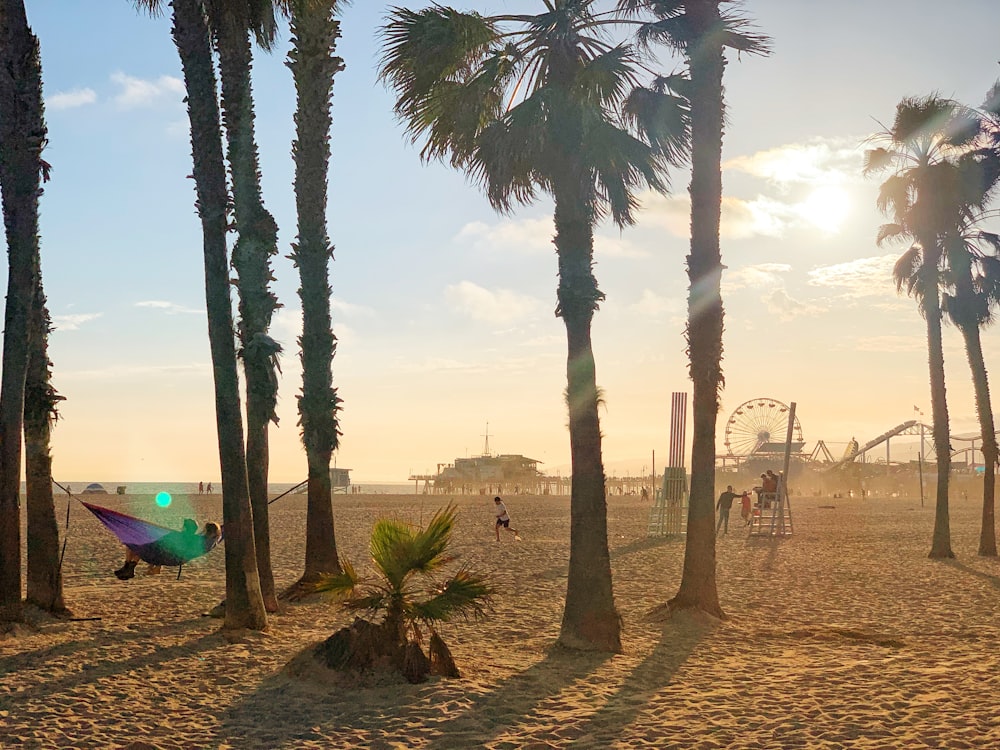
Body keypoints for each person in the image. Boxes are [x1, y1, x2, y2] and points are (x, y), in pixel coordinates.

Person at [114, 519, 222, 580]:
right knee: (138, 546)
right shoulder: (210, 542)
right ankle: (128, 568)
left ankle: (128, 567)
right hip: (175, 558)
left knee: (133, 545)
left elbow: (167, 542)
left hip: (169, 557)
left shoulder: (194, 539)